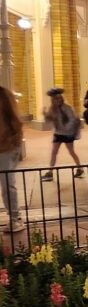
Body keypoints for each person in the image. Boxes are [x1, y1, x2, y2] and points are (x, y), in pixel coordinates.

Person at [41, 88, 84, 181]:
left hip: (68, 134)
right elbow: (49, 121)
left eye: (59, 98)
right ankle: (50, 172)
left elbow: (72, 120)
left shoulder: (67, 108)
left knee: (71, 151)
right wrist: (45, 115)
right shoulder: (52, 109)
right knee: (54, 152)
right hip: (58, 133)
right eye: (55, 99)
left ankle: (80, 168)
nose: (58, 100)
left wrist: (66, 128)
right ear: (52, 100)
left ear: (61, 98)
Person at [0, 85, 24, 231]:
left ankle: (15, 218)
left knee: (7, 184)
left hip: (5, 147)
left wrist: (14, 142)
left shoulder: (3, 95)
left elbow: (15, 120)